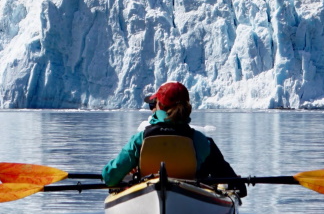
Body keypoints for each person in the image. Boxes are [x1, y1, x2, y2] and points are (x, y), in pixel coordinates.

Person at [102, 81, 247, 197]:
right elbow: (235, 185)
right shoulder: (202, 141)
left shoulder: (140, 139)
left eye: (153, 103)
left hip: (146, 195)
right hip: (191, 198)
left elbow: (110, 177)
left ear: (158, 106)